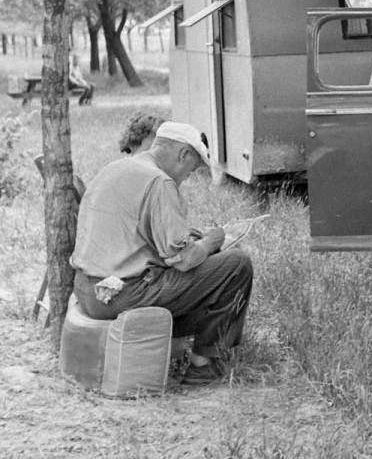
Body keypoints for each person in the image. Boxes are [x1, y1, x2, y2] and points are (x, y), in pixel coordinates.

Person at [70, 121, 253, 386]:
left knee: (206, 267)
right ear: (183, 154)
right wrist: (211, 242)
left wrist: (189, 239)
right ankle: (203, 365)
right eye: (192, 170)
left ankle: (187, 345)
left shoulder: (115, 168)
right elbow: (184, 260)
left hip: (87, 290)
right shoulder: (160, 182)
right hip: (121, 295)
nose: (188, 177)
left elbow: (133, 234)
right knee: (237, 264)